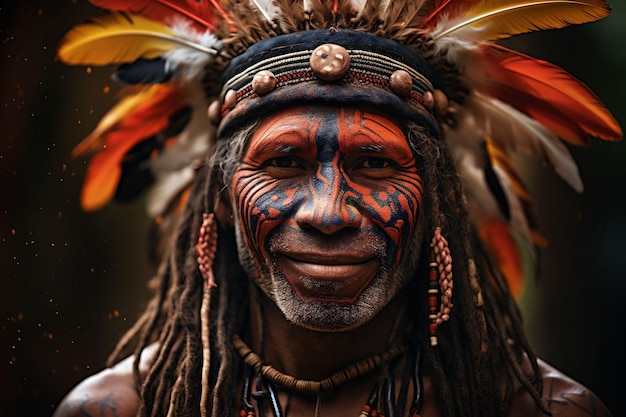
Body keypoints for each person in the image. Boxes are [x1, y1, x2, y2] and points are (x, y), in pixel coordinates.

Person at [52, 1, 622, 416]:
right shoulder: (117, 409)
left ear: (437, 207)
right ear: (222, 202)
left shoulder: (540, 410)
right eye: (282, 163)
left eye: (375, 165)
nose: (327, 212)